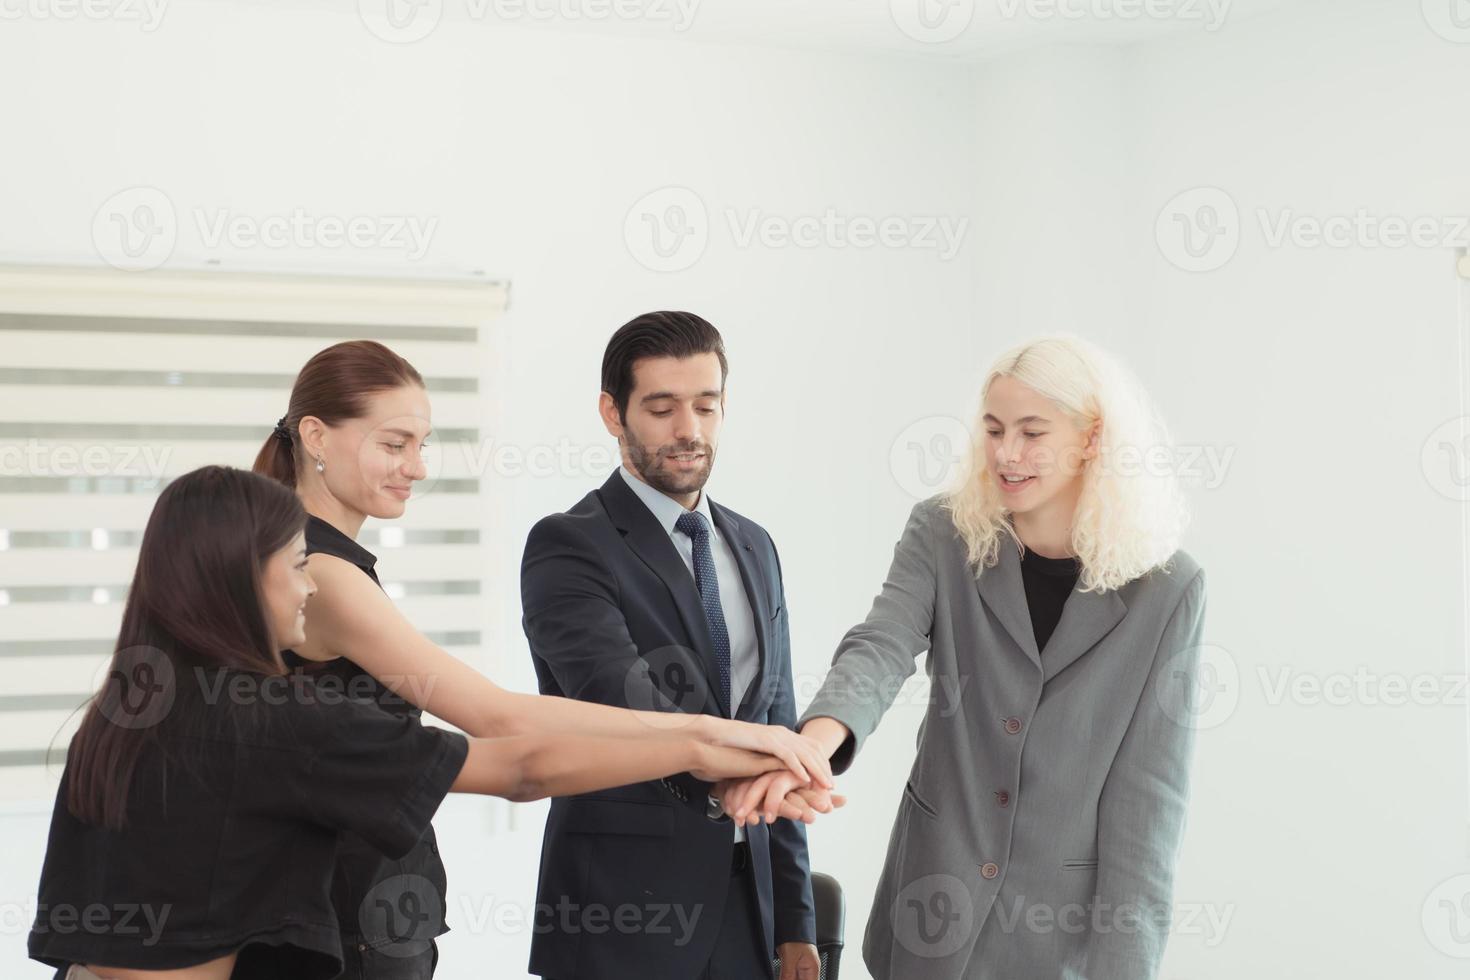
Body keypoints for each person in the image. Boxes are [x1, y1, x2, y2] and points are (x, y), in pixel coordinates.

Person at [28, 466, 783, 980]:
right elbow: (521, 766)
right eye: (296, 566)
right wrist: (699, 739)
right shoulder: (274, 723)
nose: (307, 589)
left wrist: (710, 737)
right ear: (236, 573)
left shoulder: (120, 716)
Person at [250, 339, 833, 977]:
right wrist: (710, 741)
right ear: (314, 436)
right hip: (341, 912)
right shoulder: (321, 573)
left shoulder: (317, 561)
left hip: (365, 902)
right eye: (394, 445)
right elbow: (501, 719)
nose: (417, 467)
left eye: (422, 444)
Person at [719, 335, 1209, 980]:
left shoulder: (1166, 586)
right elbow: (882, 643)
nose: (1006, 454)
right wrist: (815, 744)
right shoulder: (944, 531)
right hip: (930, 907)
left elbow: (1148, 799)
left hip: (1053, 939)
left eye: (1032, 433)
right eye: (993, 429)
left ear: (1091, 438)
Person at [520, 312, 835, 980]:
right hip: (621, 916)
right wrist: (750, 772)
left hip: (748, 917)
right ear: (613, 413)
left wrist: (794, 923)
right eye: (661, 408)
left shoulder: (755, 545)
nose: (688, 430)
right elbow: (618, 694)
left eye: (705, 406)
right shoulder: (568, 544)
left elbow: (775, 718)